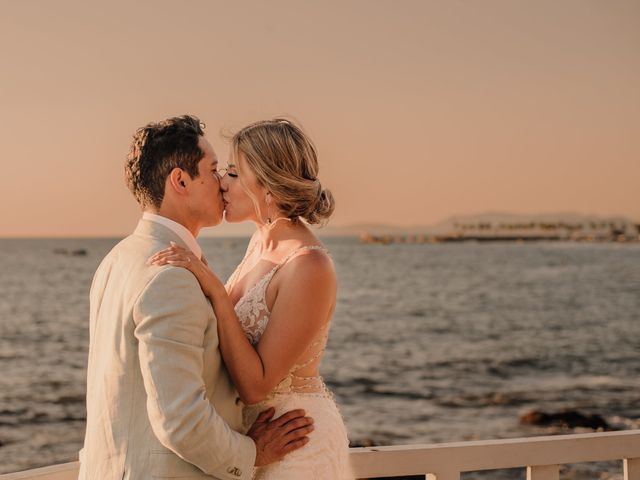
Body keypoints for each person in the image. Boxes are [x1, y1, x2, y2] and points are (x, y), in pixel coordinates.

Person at [79, 115, 314, 480]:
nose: (222, 183)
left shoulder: (116, 260)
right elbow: (181, 421)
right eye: (215, 169)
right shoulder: (169, 276)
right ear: (180, 180)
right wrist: (252, 454)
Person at [149, 118, 353, 479]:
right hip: (254, 441)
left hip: (296, 442)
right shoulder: (259, 243)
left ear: (268, 185)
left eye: (232, 173)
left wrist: (215, 290)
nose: (221, 184)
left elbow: (257, 385)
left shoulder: (308, 265)